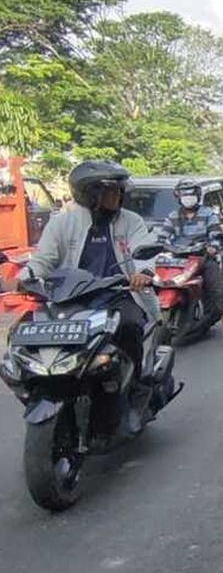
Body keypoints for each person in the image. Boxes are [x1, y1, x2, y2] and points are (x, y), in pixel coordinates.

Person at [19, 161, 160, 432]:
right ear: (90, 193)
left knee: (130, 327)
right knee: (32, 331)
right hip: (71, 297)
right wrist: (26, 277)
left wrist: (142, 272)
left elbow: (143, 248)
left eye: (119, 191)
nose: (118, 196)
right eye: (111, 191)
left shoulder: (131, 221)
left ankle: (137, 389)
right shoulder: (63, 223)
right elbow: (44, 259)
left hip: (118, 294)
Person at [160, 179, 223, 344]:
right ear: (178, 196)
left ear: (197, 195)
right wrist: (160, 245)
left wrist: (213, 247)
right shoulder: (173, 216)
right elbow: (163, 236)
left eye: (191, 193)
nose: (188, 197)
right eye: (184, 194)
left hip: (203, 258)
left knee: (216, 291)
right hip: (179, 259)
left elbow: (216, 236)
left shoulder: (208, 214)